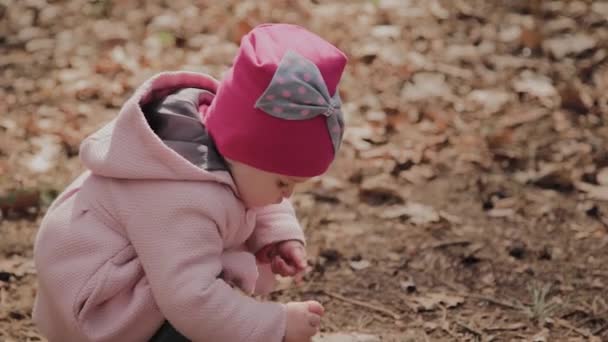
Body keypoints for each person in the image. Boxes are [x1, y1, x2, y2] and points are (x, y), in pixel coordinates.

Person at [32, 23, 348, 342]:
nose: (286, 196)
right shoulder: (183, 198)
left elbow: (248, 183)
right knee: (199, 324)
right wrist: (275, 325)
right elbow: (190, 299)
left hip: (138, 271)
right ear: (245, 152)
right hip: (103, 308)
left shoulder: (213, 146)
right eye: (283, 183)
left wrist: (276, 234)